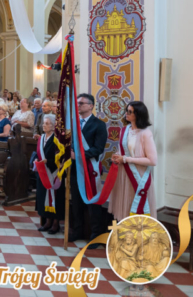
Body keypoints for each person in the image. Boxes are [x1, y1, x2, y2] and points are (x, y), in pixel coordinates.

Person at [69, 93, 108, 249]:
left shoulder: (99, 125)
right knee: (76, 202)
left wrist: (78, 156)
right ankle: (77, 230)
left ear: (91, 106)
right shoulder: (74, 124)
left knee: (93, 203)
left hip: (90, 169)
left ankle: (95, 235)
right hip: (74, 169)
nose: (78, 106)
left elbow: (98, 149)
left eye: (81, 103)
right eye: (77, 103)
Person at [109, 101, 157, 220]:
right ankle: (125, 230)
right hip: (124, 173)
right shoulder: (124, 130)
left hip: (139, 175)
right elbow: (122, 150)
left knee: (137, 204)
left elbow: (152, 161)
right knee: (125, 206)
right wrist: (117, 156)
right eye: (126, 111)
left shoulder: (146, 133)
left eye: (130, 112)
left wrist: (126, 159)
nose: (126, 113)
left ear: (138, 114)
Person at [35, 114, 65, 235]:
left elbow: (61, 157)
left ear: (53, 126)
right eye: (43, 123)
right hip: (43, 172)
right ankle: (47, 221)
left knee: (55, 197)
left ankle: (55, 223)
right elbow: (37, 152)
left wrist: (49, 161)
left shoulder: (57, 139)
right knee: (44, 196)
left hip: (54, 173)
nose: (44, 125)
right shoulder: (41, 138)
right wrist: (35, 160)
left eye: (47, 123)